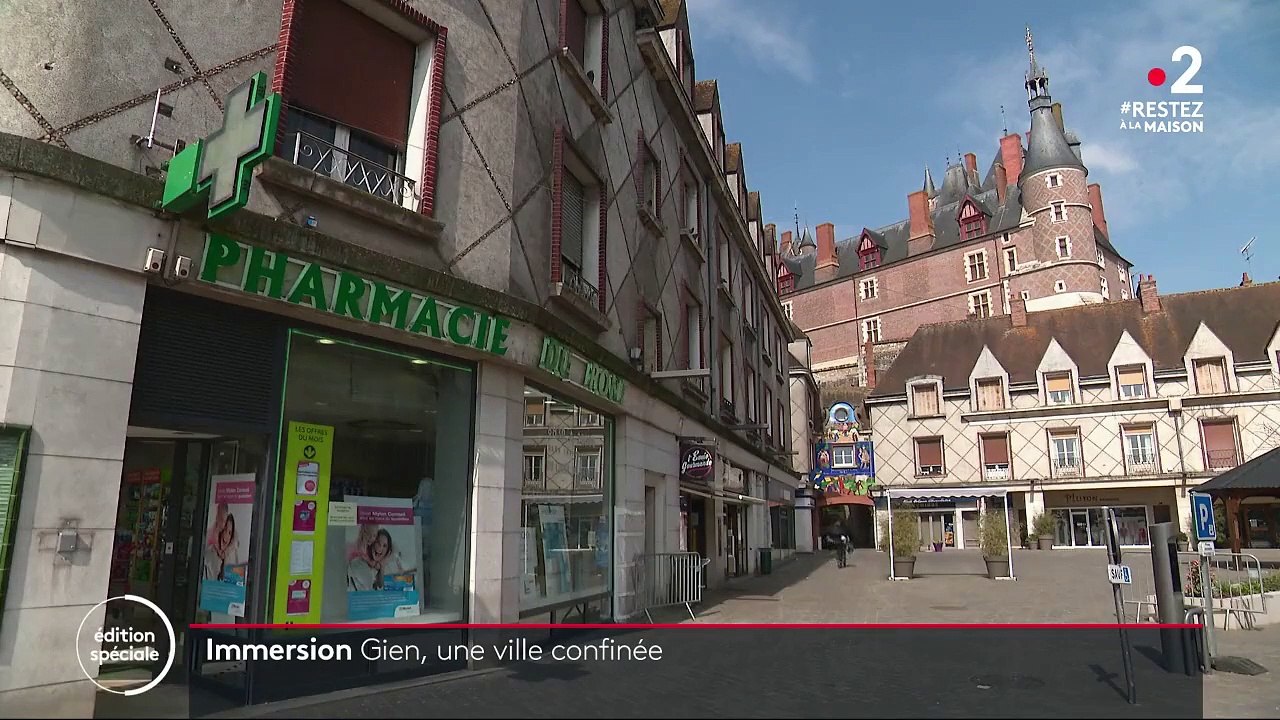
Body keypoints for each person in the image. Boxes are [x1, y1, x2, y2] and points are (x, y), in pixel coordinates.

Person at [347, 528, 414, 591]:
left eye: (384, 546)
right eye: (378, 542)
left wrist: (382, 565)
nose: (380, 548)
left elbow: (379, 587)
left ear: (387, 552)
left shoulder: (380, 567)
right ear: (372, 543)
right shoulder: (360, 562)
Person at [204, 511, 242, 582]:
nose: (226, 537)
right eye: (224, 529)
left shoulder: (231, 559)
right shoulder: (209, 554)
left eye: (230, 533)